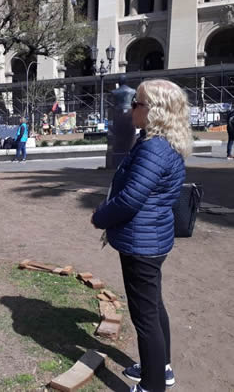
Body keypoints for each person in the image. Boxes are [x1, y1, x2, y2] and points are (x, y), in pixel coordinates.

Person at [91, 79, 192, 392]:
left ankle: (152, 385)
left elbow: (130, 199)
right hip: (151, 238)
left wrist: (100, 217)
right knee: (153, 306)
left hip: (142, 243)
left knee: (145, 316)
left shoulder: (154, 148)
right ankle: (160, 368)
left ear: (155, 111)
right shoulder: (158, 142)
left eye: (137, 103)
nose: (131, 107)